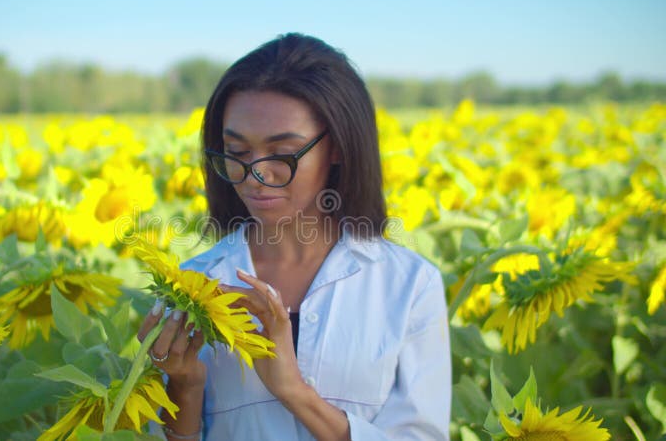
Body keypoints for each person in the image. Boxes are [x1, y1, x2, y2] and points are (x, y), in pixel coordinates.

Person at [137, 33, 451, 441]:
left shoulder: (409, 286)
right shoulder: (191, 285)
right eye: (237, 152)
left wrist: (293, 391)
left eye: (282, 153)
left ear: (337, 147)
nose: (256, 175)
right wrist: (185, 386)